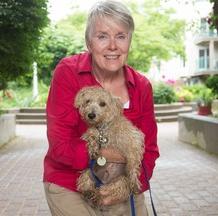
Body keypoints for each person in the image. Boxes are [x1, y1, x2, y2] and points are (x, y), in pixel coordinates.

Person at [43, 0, 159, 215]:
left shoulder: (141, 86)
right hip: (72, 184)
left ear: (129, 42)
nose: (113, 46)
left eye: (121, 36)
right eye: (102, 36)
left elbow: (149, 151)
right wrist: (117, 154)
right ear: (89, 42)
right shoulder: (68, 72)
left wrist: (127, 186)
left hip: (123, 185)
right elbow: (60, 146)